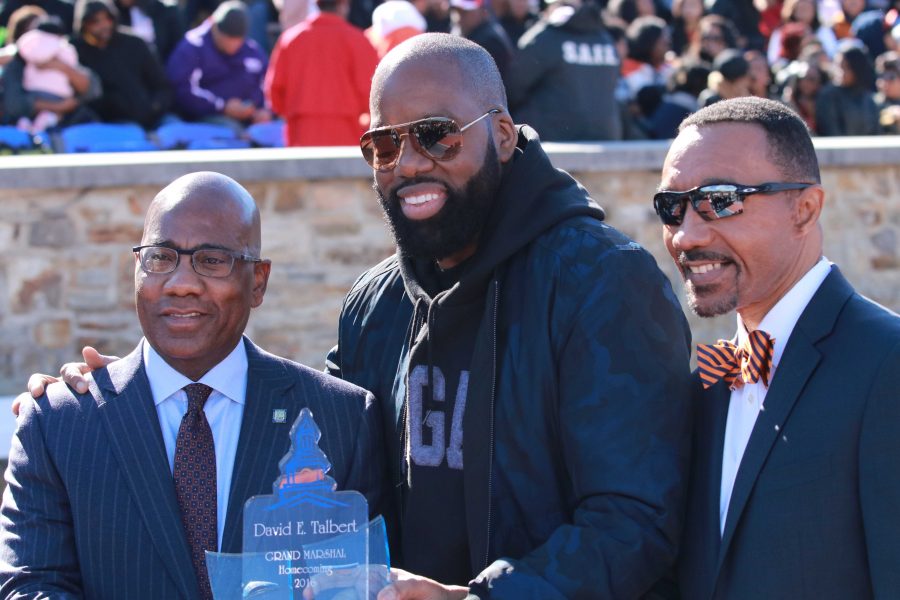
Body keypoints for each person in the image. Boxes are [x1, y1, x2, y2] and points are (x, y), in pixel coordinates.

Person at [332, 33, 692, 598]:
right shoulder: (373, 304)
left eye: (435, 135)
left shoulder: (603, 280)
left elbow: (637, 521)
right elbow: (336, 487)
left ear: (501, 135)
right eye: (383, 144)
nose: (408, 163)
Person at [0, 172, 385, 599]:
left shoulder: (341, 419)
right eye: (161, 258)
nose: (180, 283)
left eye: (212, 259)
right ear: (136, 270)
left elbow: (361, 586)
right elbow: (31, 586)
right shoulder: (58, 424)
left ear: (257, 281)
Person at [653, 96, 900, 599]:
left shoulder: (887, 364)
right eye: (671, 206)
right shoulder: (707, 381)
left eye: (720, 199)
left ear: (805, 209)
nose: (686, 234)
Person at [264, 0, 378, 146]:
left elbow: (274, 91)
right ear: (343, 6)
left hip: (300, 132)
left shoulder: (290, 39)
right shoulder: (358, 40)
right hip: (346, 132)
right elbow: (371, 92)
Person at [505, 0, 623, 141]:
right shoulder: (606, 40)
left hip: (554, 145)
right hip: (606, 141)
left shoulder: (545, 38)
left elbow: (512, 90)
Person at [166, 1, 272, 129]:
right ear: (214, 26)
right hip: (206, 118)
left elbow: (269, 84)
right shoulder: (193, 46)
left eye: (236, 41)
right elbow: (182, 90)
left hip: (251, 119)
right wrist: (222, 106)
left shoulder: (252, 50)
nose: (232, 45)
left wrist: (265, 111)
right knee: (232, 129)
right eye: (227, 38)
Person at [72, 0, 173, 128]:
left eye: (107, 19)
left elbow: (161, 86)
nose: (104, 25)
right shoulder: (74, 51)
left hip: (155, 117)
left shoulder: (134, 43)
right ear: (83, 24)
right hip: (113, 124)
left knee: (178, 131)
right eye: (95, 21)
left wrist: (155, 106)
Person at [448, 0, 514, 82]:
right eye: (456, 11)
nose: (458, 18)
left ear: (483, 11)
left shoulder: (491, 43)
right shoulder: (463, 32)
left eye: (465, 12)